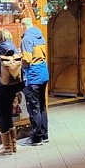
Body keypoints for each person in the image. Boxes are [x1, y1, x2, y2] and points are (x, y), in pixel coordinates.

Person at [19, 17, 49, 146]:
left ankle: (36, 138)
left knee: (34, 108)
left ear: (24, 26)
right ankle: (44, 134)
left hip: (33, 76)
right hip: (43, 74)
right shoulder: (40, 36)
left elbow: (27, 60)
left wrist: (19, 63)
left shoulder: (27, 39)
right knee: (42, 106)